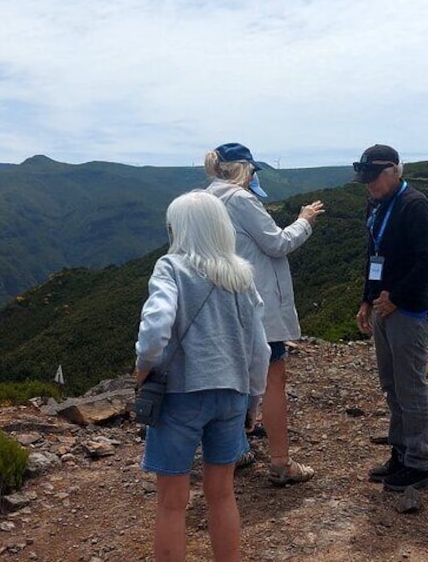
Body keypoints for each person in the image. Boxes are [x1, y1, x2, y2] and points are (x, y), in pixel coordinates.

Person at [134, 190, 270, 561]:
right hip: (231, 395)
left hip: (181, 393)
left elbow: (155, 328)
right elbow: (261, 350)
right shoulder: (242, 276)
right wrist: (253, 400)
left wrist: (143, 367)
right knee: (222, 494)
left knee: (172, 501)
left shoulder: (171, 267)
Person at [205, 142, 324, 486]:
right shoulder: (240, 200)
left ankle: (235, 447)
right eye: (254, 170)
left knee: (236, 379)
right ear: (245, 169)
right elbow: (277, 243)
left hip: (223, 304)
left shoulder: (205, 200)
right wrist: (304, 221)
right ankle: (281, 463)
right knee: (273, 381)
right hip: (257, 307)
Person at [353, 144, 428, 492]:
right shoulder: (377, 204)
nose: (368, 185)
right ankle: (402, 453)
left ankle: (422, 464)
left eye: (374, 178)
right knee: (392, 386)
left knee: (410, 387)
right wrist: (367, 299)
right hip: (382, 308)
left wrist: (397, 297)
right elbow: (373, 255)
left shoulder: (414, 205)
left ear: (394, 171)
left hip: (408, 310)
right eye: (365, 179)